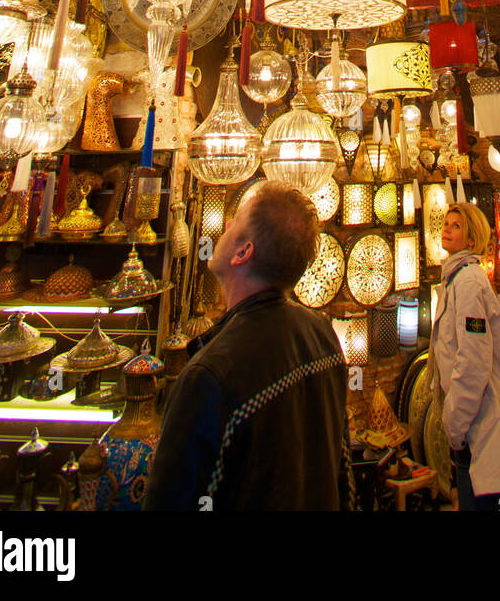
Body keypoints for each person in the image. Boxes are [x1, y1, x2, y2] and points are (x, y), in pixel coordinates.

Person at [143, 181, 352, 511]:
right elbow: (342, 474)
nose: (225, 225)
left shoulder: (209, 378)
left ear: (243, 252)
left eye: (235, 221)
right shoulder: (323, 336)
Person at [428, 202, 500, 511]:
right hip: (472, 425)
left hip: (480, 424)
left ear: (472, 240)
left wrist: (455, 422)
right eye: (446, 222)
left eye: (456, 226)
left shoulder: (468, 283)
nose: (446, 228)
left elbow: (473, 358)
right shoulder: (456, 280)